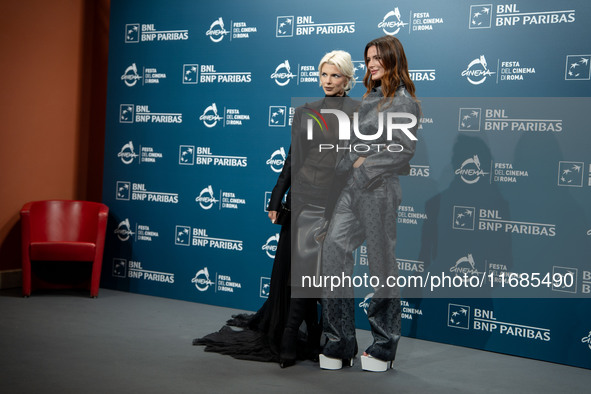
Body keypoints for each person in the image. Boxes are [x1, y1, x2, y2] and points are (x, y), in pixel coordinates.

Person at [194, 50, 359, 368]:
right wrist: (275, 198)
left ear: (347, 80)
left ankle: (314, 335)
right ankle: (288, 334)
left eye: (335, 75)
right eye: (323, 74)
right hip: (303, 200)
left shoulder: (357, 113)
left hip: (335, 203)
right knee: (301, 270)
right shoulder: (306, 111)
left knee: (321, 274)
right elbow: (293, 159)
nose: (327, 81)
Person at [317, 36, 420, 372]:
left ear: (393, 59)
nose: (371, 64)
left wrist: (364, 166)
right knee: (333, 250)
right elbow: (354, 142)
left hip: (380, 190)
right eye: (368, 60)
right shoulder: (370, 97)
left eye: (377, 58)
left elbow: (403, 151)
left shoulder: (403, 102)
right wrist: (350, 162)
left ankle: (383, 347)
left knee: (382, 265)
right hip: (352, 190)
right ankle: (340, 341)